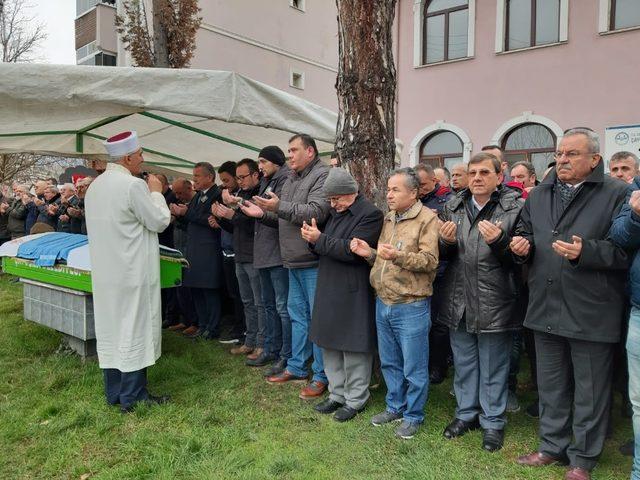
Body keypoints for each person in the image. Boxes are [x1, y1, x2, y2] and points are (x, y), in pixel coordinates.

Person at [512, 128, 629, 480]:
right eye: (560, 153)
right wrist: (522, 245)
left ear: (595, 160)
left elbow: (625, 250)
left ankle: (582, 459)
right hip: (545, 304)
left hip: (591, 309)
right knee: (551, 385)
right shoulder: (540, 193)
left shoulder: (618, 193)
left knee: (591, 391)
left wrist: (585, 252)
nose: (562, 159)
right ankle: (551, 446)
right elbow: (526, 231)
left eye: (572, 154)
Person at [438, 153, 524, 452]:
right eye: (472, 172)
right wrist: (445, 243)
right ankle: (466, 414)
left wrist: (501, 241)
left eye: (484, 172)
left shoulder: (514, 208)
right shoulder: (453, 206)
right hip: (459, 297)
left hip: (495, 298)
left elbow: (521, 260)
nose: (476, 178)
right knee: (464, 363)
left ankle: (492, 422)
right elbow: (444, 256)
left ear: (499, 177)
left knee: (493, 365)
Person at [84, 131, 171, 413]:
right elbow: (158, 221)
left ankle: (115, 393)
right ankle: (133, 397)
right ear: (129, 157)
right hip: (131, 271)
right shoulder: (133, 186)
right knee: (134, 330)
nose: (143, 159)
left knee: (112, 330)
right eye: (141, 154)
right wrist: (157, 193)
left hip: (107, 272)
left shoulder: (95, 186)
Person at [351, 167, 439, 439]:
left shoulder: (427, 218)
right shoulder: (389, 218)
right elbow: (385, 258)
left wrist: (397, 256)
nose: (388, 194)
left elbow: (430, 261)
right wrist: (371, 254)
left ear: (413, 193)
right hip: (384, 300)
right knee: (390, 362)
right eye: (388, 189)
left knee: (414, 366)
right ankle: (395, 406)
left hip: (411, 304)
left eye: (395, 189)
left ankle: (413, 415)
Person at [243, 133, 331, 400]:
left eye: (293, 150)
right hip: (291, 259)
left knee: (316, 321)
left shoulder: (322, 176)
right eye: (288, 151)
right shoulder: (292, 178)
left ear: (311, 152)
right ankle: (297, 366)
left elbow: (317, 211)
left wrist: (279, 206)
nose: (289, 155)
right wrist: (264, 214)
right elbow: (285, 216)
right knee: (297, 317)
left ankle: (321, 375)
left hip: (312, 261)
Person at [303, 168, 384, 422]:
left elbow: (352, 251)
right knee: (329, 343)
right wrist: (312, 239)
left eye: (335, 199)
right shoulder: (334, 212)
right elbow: (326, 245)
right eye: (330, 199)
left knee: (354, 347)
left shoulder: (370, 214)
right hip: (329, 283)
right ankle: (337, 394)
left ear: (350, 193)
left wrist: (320, 239)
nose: (332, 204)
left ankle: (356, 399)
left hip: (353, 288)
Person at [242, 146, 291, 372]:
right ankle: (271, 349)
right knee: (270, 305)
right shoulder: (267, 181)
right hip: (263, 253)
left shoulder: (284, 180)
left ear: (276, 162)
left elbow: (280, 216)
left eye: (263, 161)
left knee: (282, 307)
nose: (259, 166)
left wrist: (260, 213)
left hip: (277, 254)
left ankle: (286, 354)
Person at [213, 158, 265, 361]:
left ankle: (261, 343)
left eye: (243, 177)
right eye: (238, 177)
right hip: (240, 254)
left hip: (254, 255)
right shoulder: (240, 194)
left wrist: (231, 214)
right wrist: (221, 217)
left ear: (255, 175)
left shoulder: (259, 195)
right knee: (247, 301)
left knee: (259, 302)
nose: (240, 181)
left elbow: (253, 224)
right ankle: (250, 341)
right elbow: (236, 227)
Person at [171, 162, 224, 340]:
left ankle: (213, 328)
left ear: (210, 177)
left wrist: (186, 213)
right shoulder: (198, 196)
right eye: (193, 176)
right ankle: (202, 325)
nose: (194, 180)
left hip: (208, 249)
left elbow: (209, 218)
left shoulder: (217, 194)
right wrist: (180, 214)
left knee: (209, 290)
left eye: (197, 176)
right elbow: (192, 221)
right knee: (196, 289)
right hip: (193, 249)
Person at [610, 179, 640, 480]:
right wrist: (636, 216)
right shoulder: (636, 190)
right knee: (639, 399)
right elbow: (618, 235)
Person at [214, 161, 246, 345]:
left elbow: (241, 226)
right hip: (227, 251)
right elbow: (230, 226)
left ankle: (243, 330)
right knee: (234, 294)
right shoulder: (225, 196)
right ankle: (239, 327)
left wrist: (229, 211)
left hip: (239, 252)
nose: (224, 184)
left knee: (245, 297)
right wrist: (219, 218)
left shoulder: (239, 199)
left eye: (227, 180)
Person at [166, 178, 197, 333]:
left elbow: (194, 224)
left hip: (190, 251)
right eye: (175, 193)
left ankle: (194, 321)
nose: (177, 196)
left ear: (189, 188)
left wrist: (182, 215)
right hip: (177, 250)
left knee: (189, 288)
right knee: (179, 287)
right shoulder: (179, 202)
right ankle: (185, 319)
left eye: (180, 192)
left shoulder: (196, 202)